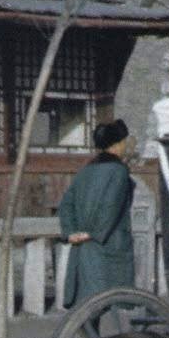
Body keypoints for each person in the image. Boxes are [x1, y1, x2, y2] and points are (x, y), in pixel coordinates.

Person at [60, 119, 136, 308]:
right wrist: (95, 232)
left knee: (87, 304)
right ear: (118, 144)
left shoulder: (85, 171)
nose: (126, 145)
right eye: (124, 141)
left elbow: (65, 204)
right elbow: (111, 207)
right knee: (108, 299)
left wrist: (71, 232)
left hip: (83, 247)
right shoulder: (118, 171)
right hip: (108, 246)